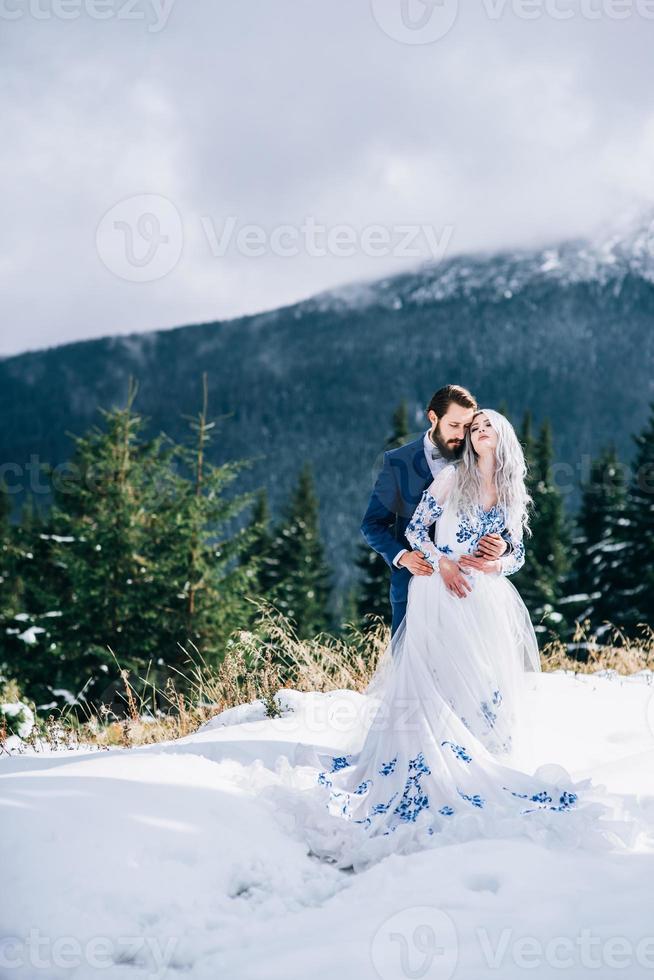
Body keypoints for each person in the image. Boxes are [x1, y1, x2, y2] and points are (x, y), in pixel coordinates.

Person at [301, 408, 630, 871]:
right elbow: (415, 530)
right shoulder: (453, 480)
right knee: (437, 680)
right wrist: (445, 564)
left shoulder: (513, 492)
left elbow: (516, 554)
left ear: (502, 436)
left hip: (485, 598)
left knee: (482, 684)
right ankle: (428, 764)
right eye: (473, 428)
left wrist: (499, 560)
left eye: (485, 427)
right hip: (440, 589)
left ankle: (478, 758)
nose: (478, 433)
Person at [360, 384, 512, 637]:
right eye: (454, 425)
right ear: (433, 417)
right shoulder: (398, 462)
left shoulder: (479, 455)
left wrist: (503, 546)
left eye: (467, 427)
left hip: (470, 590)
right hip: (413, 584)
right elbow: (372, 524)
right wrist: (403, 557)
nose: (462, 435)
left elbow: (503, 519)